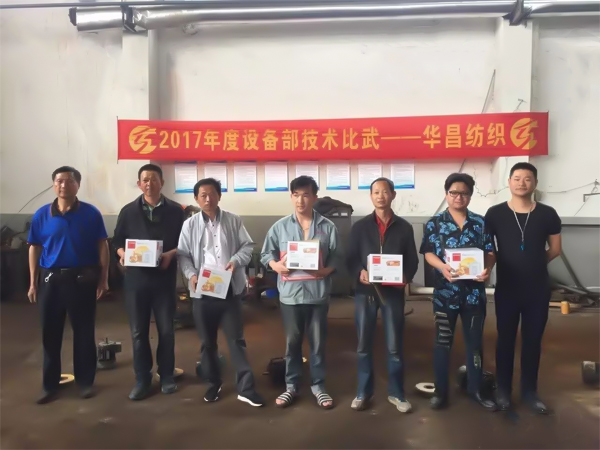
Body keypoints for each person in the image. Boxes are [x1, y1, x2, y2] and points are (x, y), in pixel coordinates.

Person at [177, 178, 264, 406]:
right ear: (196, 198)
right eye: (203, 195)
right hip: (203, 292)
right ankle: (213, 383)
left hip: (229, 291)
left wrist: (235, 261)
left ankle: (245, 388)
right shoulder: (190, 225)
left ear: (219, 196)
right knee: (207, 343)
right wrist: (191, 275)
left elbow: (247, 246)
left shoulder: (233, 220)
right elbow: (183, 255)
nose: (208, 199)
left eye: (212, 194)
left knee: (236, 340)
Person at [27, 166, 109, 404]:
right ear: (54, 185)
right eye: (59, 181)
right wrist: (32, 282)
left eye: (69, 181)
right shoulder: (42, 215)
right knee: (50, 334)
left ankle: (85, 383)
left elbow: (102, 245)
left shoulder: (91, 214)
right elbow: (34, 247)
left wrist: (104, 278)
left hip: (81, 280)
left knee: (84, 333)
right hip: (50, 281)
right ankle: (49, 385)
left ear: (78, 185)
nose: (63, 185)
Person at [485, 162, 561, 414]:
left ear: (535, 183)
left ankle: (530, 392)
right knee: (505, 339)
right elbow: (489, 250)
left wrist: (535, 264)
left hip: (537, 290)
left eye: (527, 178)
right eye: (516, 178)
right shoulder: (495, 214)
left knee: (533, 340)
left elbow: (555, 249)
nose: (521, 183)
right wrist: (487, 268)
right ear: (509, 182)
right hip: (507, 288)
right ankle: (503, 391)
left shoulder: (548, 214)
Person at [261, 176, 340, 409]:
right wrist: (275, 265)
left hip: (317, 294)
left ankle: (319, 387)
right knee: (292, 343)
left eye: (305, 195)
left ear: (314, 197)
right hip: (290, 295)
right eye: (296, 195)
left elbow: (337, 256)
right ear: (291, 197)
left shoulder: (328, 227)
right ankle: (291, 386)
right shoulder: (280, 227)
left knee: (317, 343)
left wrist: (326, 270)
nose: (300, 200)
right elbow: (266, 254)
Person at [420, 173, 497, 411]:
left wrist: (487, 269)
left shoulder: (481, 223)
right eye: (453, 192)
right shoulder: (435, 223)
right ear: (446, 194)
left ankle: (476, 390)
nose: (458, 197)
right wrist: (442, 267)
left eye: (464, 193)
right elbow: (428, 252)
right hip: (445, 295)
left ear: (470, 196)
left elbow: (490, 252)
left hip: (474, 295)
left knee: (474, 344)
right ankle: (440, 393)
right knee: (442, 343)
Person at [346, 177, 419, 413]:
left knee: (394, 346)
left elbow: (412, 260)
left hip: (393, 294)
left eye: (385, 191)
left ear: (393, 195)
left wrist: (405, 277)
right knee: (363, 345)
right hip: (365, 293)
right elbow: (350, 258)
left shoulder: (404, 227)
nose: (380, 196)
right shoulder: (360, 227)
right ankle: (363, 392)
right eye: (376, 192)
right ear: (371, 196)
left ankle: (397, 394)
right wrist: (360, 272)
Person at [113, 164, 185, 400]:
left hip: (164, 280)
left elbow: (185, 243)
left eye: (154, 179)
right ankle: (142, 379)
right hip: (136, 281)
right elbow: (117, 242)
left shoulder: (176, 211)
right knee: (138, 332)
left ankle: (166, 376)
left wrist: (170, 255)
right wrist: (124, 254)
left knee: (166, 331)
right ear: (139, 184)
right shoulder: (128, 212)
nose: (149, 183)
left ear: (162, 183)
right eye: (145, 180)